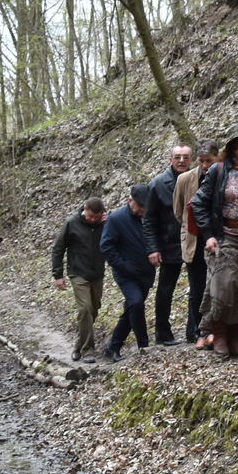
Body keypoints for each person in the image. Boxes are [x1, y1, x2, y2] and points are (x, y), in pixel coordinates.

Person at [192, 128, 238, 357]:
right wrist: (209, 235)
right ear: (233, 146)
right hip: (224, 237)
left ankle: (235, 335)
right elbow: (199, 203)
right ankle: (219, 333)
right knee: (223, 287)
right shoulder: (219, 170)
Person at [99, 183, 163, 361]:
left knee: (132, 309)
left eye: (146, 206)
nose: (143, 209)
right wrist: (125, 265)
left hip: (146, 272)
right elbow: (106, 247)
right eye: (140, 206)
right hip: (125, 273)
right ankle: (144, 345)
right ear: (130, 201)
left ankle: (113, 346)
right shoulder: (116, 219)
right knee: (135, 304)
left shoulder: (150, 216)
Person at [143, 144, 192, 347]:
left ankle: (194, 329)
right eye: (177, 157)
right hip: (168, 244)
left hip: (194, 242)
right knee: (165, 290)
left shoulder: (199, 179)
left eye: (185, 157)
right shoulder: (157, 184)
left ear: (191, 159)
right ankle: (162, 332)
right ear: (170, 159)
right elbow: (149, 220)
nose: (181, 161)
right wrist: (152, 248)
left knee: (198, 288)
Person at [51, 196, 107, 360]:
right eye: (90, 216)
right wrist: (58, 275)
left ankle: (78, 345)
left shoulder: (105, 224)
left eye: (96, 217)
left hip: (97, 273)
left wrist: (106, 223)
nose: (93, 219)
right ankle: (87, 350)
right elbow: (58, 248)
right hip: (78, 273)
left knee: (93, 309)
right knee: (84, 309)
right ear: (84, 209)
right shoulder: (71, 223)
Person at [177, 142, 216, 348]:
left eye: (209, 161)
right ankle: (199, 330)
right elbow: (179, 211)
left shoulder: (221, 175)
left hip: (217, 240)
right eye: (201, 161)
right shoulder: (185, 179)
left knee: (218, 286)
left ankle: (214, 329)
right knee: (197, 288)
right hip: (194, 240)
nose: (204, 165)